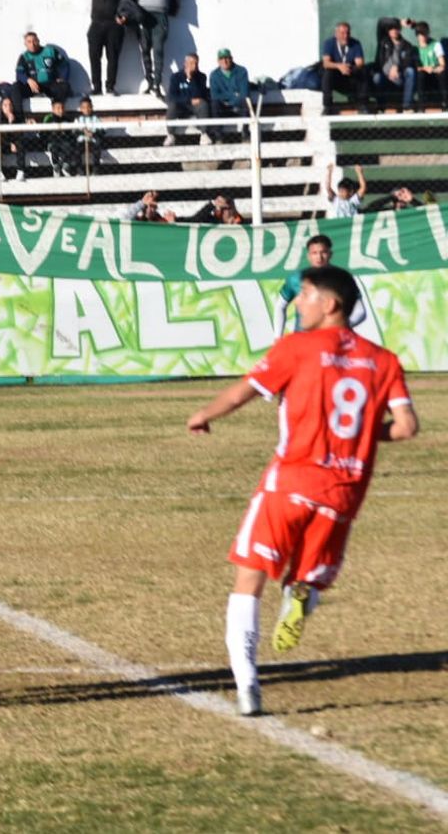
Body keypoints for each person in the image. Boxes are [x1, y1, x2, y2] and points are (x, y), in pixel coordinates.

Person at [187, 264, 418, 716]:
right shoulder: (383, 359)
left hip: (291, 481)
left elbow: (242, 393)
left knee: (248, 579)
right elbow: (407, 427)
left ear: (330, 304)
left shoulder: (296, 347)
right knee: (308, 576)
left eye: (306, 294)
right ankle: (302, 595)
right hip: (344, 493)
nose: (298, 302)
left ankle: (248, 684)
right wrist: (361, 436)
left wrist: (203, 414)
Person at [273, 234, 367, 339]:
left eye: (323, 252)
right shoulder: (296, 278)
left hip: (333, 340)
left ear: (330, 254)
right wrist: (278, 336)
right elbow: (280, 306)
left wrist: (338, 327)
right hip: (303, 341)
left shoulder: (342, 278)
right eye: (314, 253)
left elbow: (360, 311)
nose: (319, 257)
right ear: (308, 256)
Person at [131, 0, 182, 98]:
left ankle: (157, 84)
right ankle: (149, 80)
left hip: (161, 15)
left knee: (158, 49)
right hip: (144, 14)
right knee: (145, 48)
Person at [86, 0, 128, 96]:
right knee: (94, 56)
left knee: (113, 57)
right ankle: (96, 87)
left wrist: (125, 17)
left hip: (114, 25)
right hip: (97, 23)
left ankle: (110, 86)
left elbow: (128, 4)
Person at [321, 22, 369, 115]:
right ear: (336, 34)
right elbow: (326, 63)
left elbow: (359, 62)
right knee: (327, 73)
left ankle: (362, 105)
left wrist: (348, 67)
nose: (345, 36)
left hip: (350, 73)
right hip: (336, 75)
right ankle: (327, 106)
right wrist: (339, 66)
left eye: (347, 33)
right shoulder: (329, 43)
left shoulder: (355, 43)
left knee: (363, 71)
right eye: (342, 33)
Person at [164, 53, 211, 146]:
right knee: (172, 105)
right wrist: (188, 100)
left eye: (196, 63)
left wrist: (191, 79)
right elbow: (172, 96)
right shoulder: (176, 77)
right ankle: (170, 135)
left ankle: (204, 134)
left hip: (194, 107)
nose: (194, 66)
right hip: (181, 106)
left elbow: (200, 95)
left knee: (203, 104)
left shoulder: (201, 77)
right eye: (192, 63)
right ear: (185, 63)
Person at [372, 19, 416, 112]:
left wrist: (397, 67)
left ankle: (407, 107)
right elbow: (381, 22)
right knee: (377, 77)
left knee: (410, 72)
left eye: (397, 28)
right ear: (388, 31)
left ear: (400, 30)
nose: (394, 31)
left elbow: (408, 62)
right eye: (392, 29)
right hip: (384, 77)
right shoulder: (383, 42)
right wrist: (399, 22)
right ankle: (381, 107)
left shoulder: (407, 45)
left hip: (399, 78)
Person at [15, 32, 70, 104]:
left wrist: (62, 77)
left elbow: (64, 65)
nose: (32, 44)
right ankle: (18, 115)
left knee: (64, 87)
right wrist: (28, 80)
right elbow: (19, 73)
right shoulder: (24, 57)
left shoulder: (50, 51)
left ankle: (57, 112)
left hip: (50, 85)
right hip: (33, 86)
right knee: (15, 88)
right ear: (25, 44)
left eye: (34, 41)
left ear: (38, 41)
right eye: (29, 42)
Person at [209, 49, 249, 143]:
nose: (225, 61)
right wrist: (233, 95)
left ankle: (245, 135)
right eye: (222, 59)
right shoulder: (214, 75)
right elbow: (214, 95)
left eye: (227, 58)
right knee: (215, 104)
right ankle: (219, 137)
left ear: (231, 58)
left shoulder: (241, 71)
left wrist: (229, 99)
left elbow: (244, 93)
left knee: (245, 102)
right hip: (223, 107)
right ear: (218, 61)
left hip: (238, 106)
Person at [411, 20, 446, 111]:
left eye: (424, 33)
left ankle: (445, 103)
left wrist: (435, 69)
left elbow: (442, 64)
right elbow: (417, 67)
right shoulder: (415, 49)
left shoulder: (436, 44)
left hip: (435, 76)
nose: (423, 37)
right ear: (417, 35)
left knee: (442, 74)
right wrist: (426, 68)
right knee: (420, 75)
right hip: (424, 77)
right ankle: (421, 106)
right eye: (420, 34)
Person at [0, 93, 29, 182]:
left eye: (10, 105)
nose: (8, 107)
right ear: (1, 107)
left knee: (21, 143)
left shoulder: (17, 118)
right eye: (5, 105)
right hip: (3, 145)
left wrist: (13, 123)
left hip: (14, 145)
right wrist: (10, 143)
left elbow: (20, 134)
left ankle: (21, 171)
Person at [42, 97, 78, 177]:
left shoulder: (67, 119)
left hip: (65, 141)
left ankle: (65, 167)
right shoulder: (49, 118)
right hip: (52, 141)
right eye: (58, 108)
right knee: (54, 147)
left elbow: (70, 133)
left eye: (62, 108)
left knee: (68, 145)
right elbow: (43, 132)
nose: (60, 110)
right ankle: (56, 167)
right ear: (53, 109)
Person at [74, 96, 104, 172]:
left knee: (97, 150)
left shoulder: (96, 118)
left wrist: (92, 134)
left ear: (92, 107)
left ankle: (96, 170)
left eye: (88, 107)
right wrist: (83, 132)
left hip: (92, 141)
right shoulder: (77, 119)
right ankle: (79, 170)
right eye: (84, 107)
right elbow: (74, 131)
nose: (86, 109)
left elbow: (102, 131)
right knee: (76, 151)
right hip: (81, 142)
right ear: (80, 108)